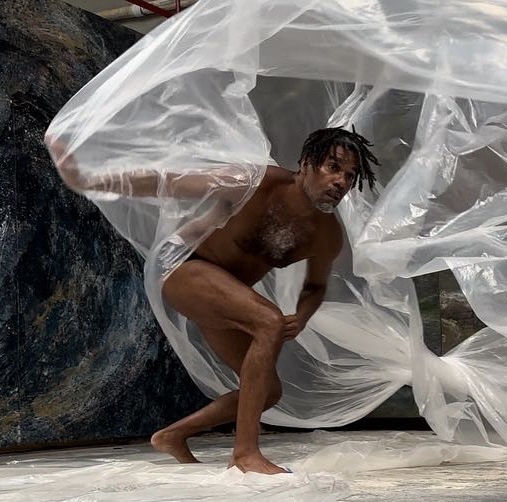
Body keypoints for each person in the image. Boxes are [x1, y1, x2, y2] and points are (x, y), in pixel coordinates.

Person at [48, 128, 380, 474]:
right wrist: (89, 180)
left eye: (349, 176)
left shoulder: (326, 235)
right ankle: (245, 454)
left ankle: (173, 435)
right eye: (333, 167)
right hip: (183, 266)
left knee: (268, 392)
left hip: (221, 293)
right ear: (306, 163)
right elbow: (169, 182)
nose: (340, 181)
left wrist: (304, 314)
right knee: (268, 320)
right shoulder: (252, 183)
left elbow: (315, 286)